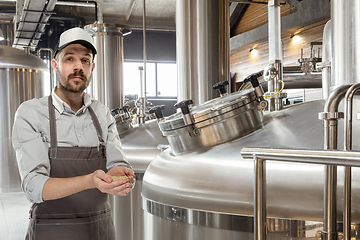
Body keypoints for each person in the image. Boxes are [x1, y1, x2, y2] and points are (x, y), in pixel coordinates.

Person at [12, 27, 135, 240]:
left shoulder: (102, 113)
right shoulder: (31, 113)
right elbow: (33, 186)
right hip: (51, 230)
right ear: (55, 64)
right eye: (70, 58)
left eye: (85, 60)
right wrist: (90, 181)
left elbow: (116, 163)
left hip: (100, 230)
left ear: (92, 67)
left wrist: (123, 174)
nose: (78, 66)